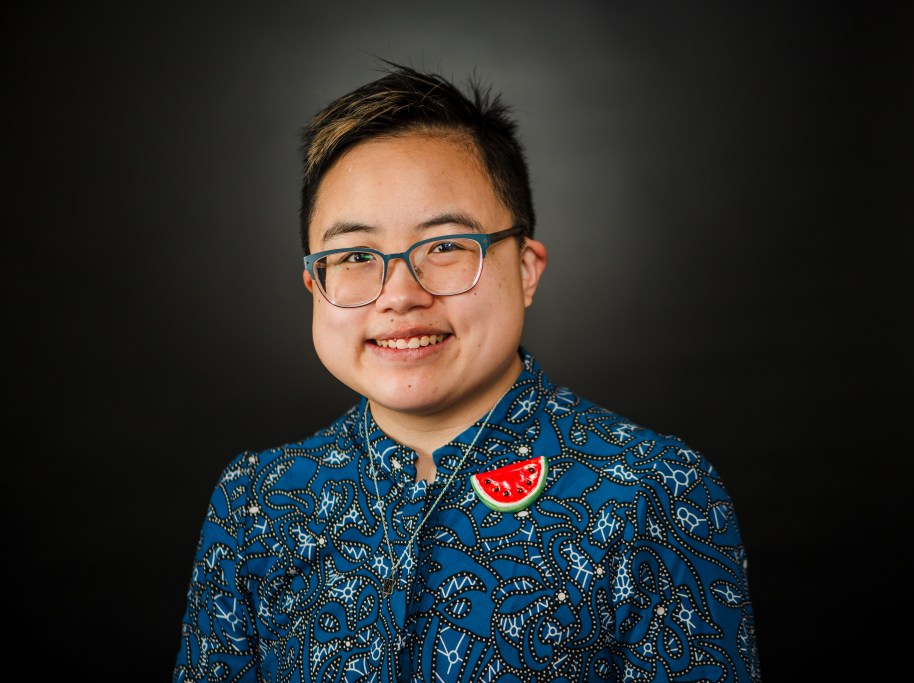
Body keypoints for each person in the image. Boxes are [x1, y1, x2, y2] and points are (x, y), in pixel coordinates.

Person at [172, 62, 760, 683]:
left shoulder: (654, 491)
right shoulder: (257, 503)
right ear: (313, 285)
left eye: (446, 246)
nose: (399, 295)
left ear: (527, 268)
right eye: (352, 256)